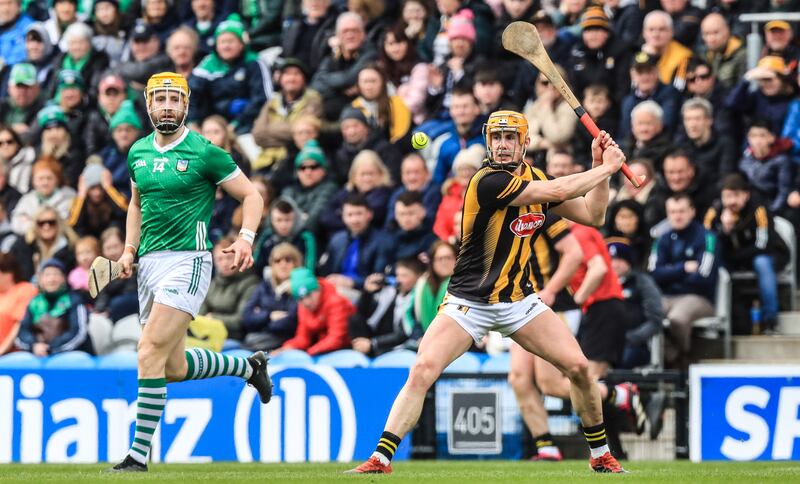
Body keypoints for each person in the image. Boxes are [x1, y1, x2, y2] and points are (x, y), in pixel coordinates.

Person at [347, 110, 629, 474]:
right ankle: (380, 459)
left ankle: (600, 455)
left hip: (520, 301)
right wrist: (608, 168)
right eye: (496, 137)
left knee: (578, 368)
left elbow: (594, 215)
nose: (502, 144)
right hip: (469, 301)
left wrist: (597, 164)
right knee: (422, 370)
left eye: (510, 138)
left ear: (524, 143)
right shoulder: (487, 181)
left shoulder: (535, 176)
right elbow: (559, 189)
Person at [108, 72, 271, 473]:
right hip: (148, 265)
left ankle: (136, 457)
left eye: (174, 100)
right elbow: (135, 204)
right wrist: (129, 250)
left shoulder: (205, 152)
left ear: (186, 105)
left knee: (147, 352)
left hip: (188, 262)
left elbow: (252, 194)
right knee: (173, 369)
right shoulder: (138, 153)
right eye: (159, 99)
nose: (166, 106)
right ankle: (248, 367)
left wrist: (246, 238)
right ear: (148, 105)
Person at [704, 174, 789, 333]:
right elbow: (707, 242)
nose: (731, 201)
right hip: (735, 258)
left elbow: (764, 245)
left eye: (736, 196)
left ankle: (771, 321)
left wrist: (735, 255)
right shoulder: (715, 210)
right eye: (727, 196)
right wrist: (724, 230)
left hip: (768, 254)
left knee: (761, 262)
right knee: (715, 263)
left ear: (746, 195)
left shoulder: (759, 208)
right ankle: (720, 320)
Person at [649, 193, 718, 369]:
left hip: (698, 297)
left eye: (681, 211)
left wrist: (670, 275)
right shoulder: (662, 238)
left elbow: (703, 278)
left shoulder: (706, 237)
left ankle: (682, 356)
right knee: (643, 313)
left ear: (692, 211)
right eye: (672, 212)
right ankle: (674, 356)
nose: (677, 216)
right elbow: (654, 274)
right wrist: (683, 268)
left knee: (677, 319)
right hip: (667, 296)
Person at [349, 256, 425, 357]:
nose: (399, 280)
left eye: (405, 276)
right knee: (355, 319)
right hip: (381, 339)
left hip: (403, 343)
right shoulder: (391, 292)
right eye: (398, 275)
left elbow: (405, 332)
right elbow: (364, 313)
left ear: (418, 277)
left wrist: (373, 343)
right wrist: (367, 293)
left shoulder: (418, 298)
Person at [14, 258, 92, 356]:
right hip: (39, 355)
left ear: (64, 278)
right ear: (40, 279)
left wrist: (51, 348)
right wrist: (34, 345)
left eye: (56, 274)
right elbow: (22, 332)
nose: (51, 279)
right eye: (47, 275)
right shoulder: (34, 302)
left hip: (71, 355)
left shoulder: (75, 300)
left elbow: (79, 333)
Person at [607, 238, 664, 369]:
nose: (615, 265)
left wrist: (630, 338)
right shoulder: (600, 284)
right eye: (611, 260)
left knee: (625, 358)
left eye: (619, 260)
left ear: (629, 262)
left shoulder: (642, 282)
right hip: (604, 343)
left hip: (634, 344)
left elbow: (655, 320)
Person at [319, 193, 392, 292]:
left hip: (364, 292)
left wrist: (352, 282)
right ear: (343, 217)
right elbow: (326, 271)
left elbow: (379, 277)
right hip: (334, 288)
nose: (354, 220)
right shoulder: (337, 240)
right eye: (350, 215)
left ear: (369, 214)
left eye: (359, 214)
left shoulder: (382, 241)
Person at [276, 266, 355, 356]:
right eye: (301, 298)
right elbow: (303, 337)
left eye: (309, 295)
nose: (306, 302)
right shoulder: (303, 306)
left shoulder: (336, 302)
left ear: (318, 289)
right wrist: (287, 348)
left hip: (346, 350)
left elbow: (336, 339)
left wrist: (309, 353)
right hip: (322, 349)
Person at [240, 242, 301, 351]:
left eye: (288, 260)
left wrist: (260, 315)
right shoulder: (264, 286)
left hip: (285, 344)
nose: (283, 264)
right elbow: (246, 317)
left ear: (296, 263)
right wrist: (269, 316)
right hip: (258, 341)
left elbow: (291, 322)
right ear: (272, 265)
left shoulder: (299, 288)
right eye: (278, 261)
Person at [199, 235, 260, 342]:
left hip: (235, 338)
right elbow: (200, 314)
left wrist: (213, 318)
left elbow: (242, 320)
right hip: (207, 335)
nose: (225, 263)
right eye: (220, 259)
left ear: (239, 257)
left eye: (229, 258)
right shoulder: (211, 283)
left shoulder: (250, 283)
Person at [252, 197, 317, 277]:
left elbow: (310, 269)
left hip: (297, 283)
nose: (283, 225)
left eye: (287, 220)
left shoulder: (305, 237)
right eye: (279, 220)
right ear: (272, 220)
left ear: (296, 219)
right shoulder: (267, 236)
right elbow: (256, 265)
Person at [67, 162, 128, 238]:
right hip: (90, 242)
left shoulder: (112, 197)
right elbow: (73, 224)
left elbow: (126, 212)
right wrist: (81, 195)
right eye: (93, 188)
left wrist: (109, 188)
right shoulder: (80, 201)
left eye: (100, 187)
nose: (97, 193)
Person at [92, 227, 138, 322]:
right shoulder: (103, 269)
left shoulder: (132, 263)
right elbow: (103, 294)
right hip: (113, 304)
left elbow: (130, 289)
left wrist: (109, 309)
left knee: (117, 303)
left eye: (115, 246)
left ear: (124, 245)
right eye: (108, 248)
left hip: (130, 299)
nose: (112, 251)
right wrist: (99, 309)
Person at [0, 253, 37, 355]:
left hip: (15, 356)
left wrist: (1, 351)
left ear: (9, 274)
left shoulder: (25, 289)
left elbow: (19, 325)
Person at [387, 191, 438, 261]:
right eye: (402, 214)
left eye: (411, 213)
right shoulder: (389, 239)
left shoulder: (432, 242)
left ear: (423, 212)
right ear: (395, 215)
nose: (406, 219)